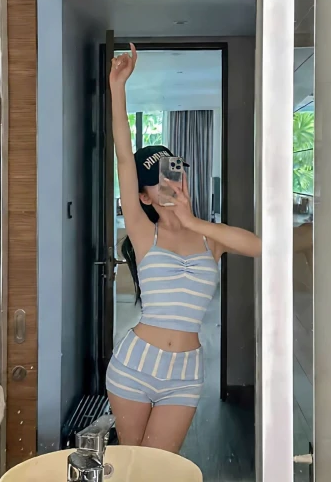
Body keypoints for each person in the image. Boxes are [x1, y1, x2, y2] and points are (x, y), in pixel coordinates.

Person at [105, 43, 263, 454]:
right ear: (143, 196)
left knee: (160, 470)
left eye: (172, 173)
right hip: (135, 364)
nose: (169, 184)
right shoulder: (144, 233)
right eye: (156, 181)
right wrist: (117, 87)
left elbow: (259, 247)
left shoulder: (209, 236)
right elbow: (124, 158)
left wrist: (193, 221)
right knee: (133, 469)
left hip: (186, 372)